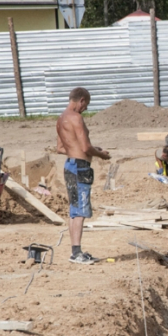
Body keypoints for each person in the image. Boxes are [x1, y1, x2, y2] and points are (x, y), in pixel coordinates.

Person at [56, 87, 111, 265]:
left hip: (70, 165)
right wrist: (101, 154)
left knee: (74, 210)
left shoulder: (61, 119)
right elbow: (86, 147)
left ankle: (75, 251)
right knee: (80, 211)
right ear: (81, 100)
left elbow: (60, 148)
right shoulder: (76, 118)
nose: (86, 108)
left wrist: (77, 150)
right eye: (86, 104)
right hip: (80, 167)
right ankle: (76, 254)